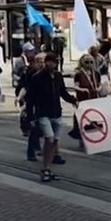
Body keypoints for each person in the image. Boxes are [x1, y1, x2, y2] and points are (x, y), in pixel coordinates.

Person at [25, 53, 78, 182]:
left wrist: (73, 100)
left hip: (56, 113)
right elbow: (30, 98)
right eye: (50, 62)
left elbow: (63, 92)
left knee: (54, 141)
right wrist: (30, 116)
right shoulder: (37, 78)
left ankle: (47, 167)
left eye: (54, 62)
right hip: (43, 113)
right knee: (49, 138)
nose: (52, 65)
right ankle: (45, 167)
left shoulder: (58, 76)